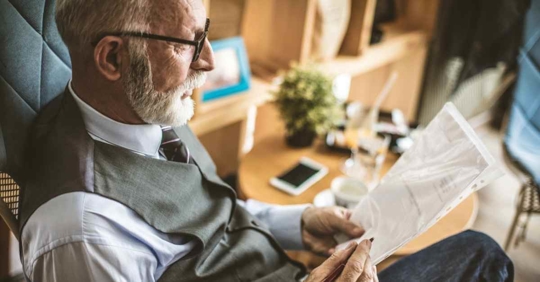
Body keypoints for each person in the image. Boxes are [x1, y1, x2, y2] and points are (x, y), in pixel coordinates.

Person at [18, 0, 514, 281]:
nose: (209, 60)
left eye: (205, 32)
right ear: (112, 59)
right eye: (188, 42)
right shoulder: (82, 231)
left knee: (476, 249)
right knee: (479, 256)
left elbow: (202, 210)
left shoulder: (142, 107)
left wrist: (298, 223)